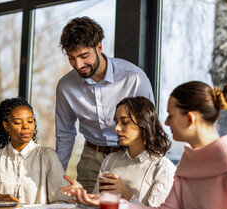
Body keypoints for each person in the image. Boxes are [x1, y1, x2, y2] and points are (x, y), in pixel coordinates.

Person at [67, 81, 227, 209]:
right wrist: (109, 204)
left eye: (171, 115)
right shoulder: (189, 159)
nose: (166, 122)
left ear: (190, 119)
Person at [56, 17, 155, 193]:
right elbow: (65, 134)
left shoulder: (134, 78)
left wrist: (152, 166)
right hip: (91, 158)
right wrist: (57, 175)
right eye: (72, 58)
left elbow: (149, 126)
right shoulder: (66, 86)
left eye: (84, 56)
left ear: (99, 47)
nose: (78, 65)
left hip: (130, 156)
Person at [60, 97, 176, 207]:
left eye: (124, 122)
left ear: (144, 123)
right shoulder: (111, 160)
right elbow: (98, 207)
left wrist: (126, 194)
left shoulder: (163, 168)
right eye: (116, 122)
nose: (117, 128)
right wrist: (85, 197)